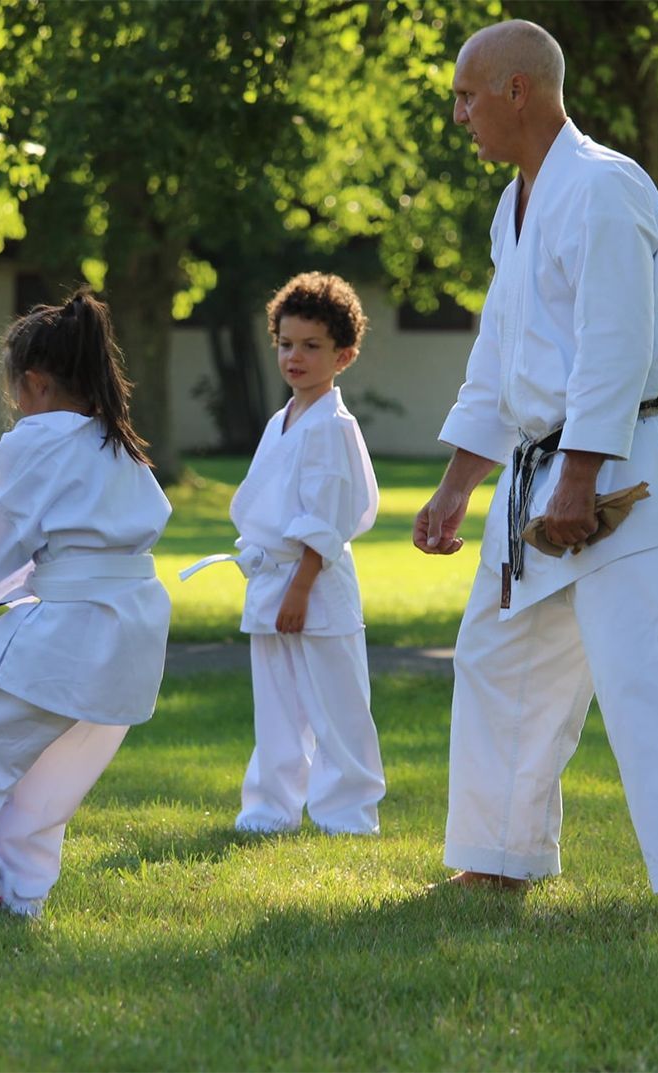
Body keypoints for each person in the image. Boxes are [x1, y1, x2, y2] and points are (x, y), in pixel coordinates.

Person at [413, 20, 658, 903]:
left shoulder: (602, 186)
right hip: (535, 475)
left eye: (468, 96)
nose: (459, 115)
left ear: (519, 91)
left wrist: (582, 475)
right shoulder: (512, 208)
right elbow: (498, 361)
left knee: (649, 668)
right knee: (498, 659)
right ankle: (499, 853)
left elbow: (614, 344)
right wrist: (455, 486)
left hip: (619, 467)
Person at [0, 289, 172, 916]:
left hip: (72, 629)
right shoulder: (120, 446)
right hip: (131, 637)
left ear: (33, 383)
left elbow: (0, 523)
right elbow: (70, 545)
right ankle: (22, 890)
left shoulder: (37, 438)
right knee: (52, 777)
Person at [230, 272, 385, 834]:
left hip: (314, 582)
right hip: (274, 579)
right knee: (277, 706)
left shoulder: (332, 426)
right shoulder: (284, 420)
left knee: (337, 705)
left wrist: (301, 586)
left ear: (343, 356)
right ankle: (270, 810)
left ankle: (349, 814)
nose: (295, 357)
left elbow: (326, 515)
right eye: (286, 343)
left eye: (312, 346)